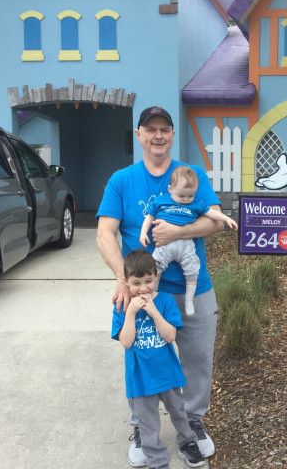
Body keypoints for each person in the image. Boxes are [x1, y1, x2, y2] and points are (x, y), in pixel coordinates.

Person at [96, 106, 222, 466]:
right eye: (150, 129)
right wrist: (123, 280)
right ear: (139, 134)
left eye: (165, 129)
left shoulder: (191, 174)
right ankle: (142, 425)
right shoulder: (122, 180)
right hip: (141, 292)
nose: (158, 135)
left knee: (198, 360)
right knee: (143, 359)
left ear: (172, 134)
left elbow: (213, 222)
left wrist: (179, 232)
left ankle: (192, 423)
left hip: (190, 289)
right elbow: (105, 233)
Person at [112, 249, 206, 469]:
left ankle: (187, 442)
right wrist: (132, 314)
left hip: (168, 374)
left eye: (148, 281)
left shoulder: (164, 301)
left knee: (180, 414)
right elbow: (126, 342)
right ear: (126, 282)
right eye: (136, 283)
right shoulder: (123, 306)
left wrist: (154, 312)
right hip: (141, 378)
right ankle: (157, 461)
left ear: (157, 277)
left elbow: (170, 336)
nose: (143, 288)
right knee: (148, 424)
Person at [140, 165, 238, 316]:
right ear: (170, 189)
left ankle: (189, 300)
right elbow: (149, 216)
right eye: (182, 196)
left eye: (190, 196)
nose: (186, 200)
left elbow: (212, 214)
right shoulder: (161, 201)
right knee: (155, 267)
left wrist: (226, 219)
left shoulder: (196, 204)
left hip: (186, 245)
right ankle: (155, 295)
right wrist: (143, 233)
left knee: (192, 270)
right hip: (164, 245)